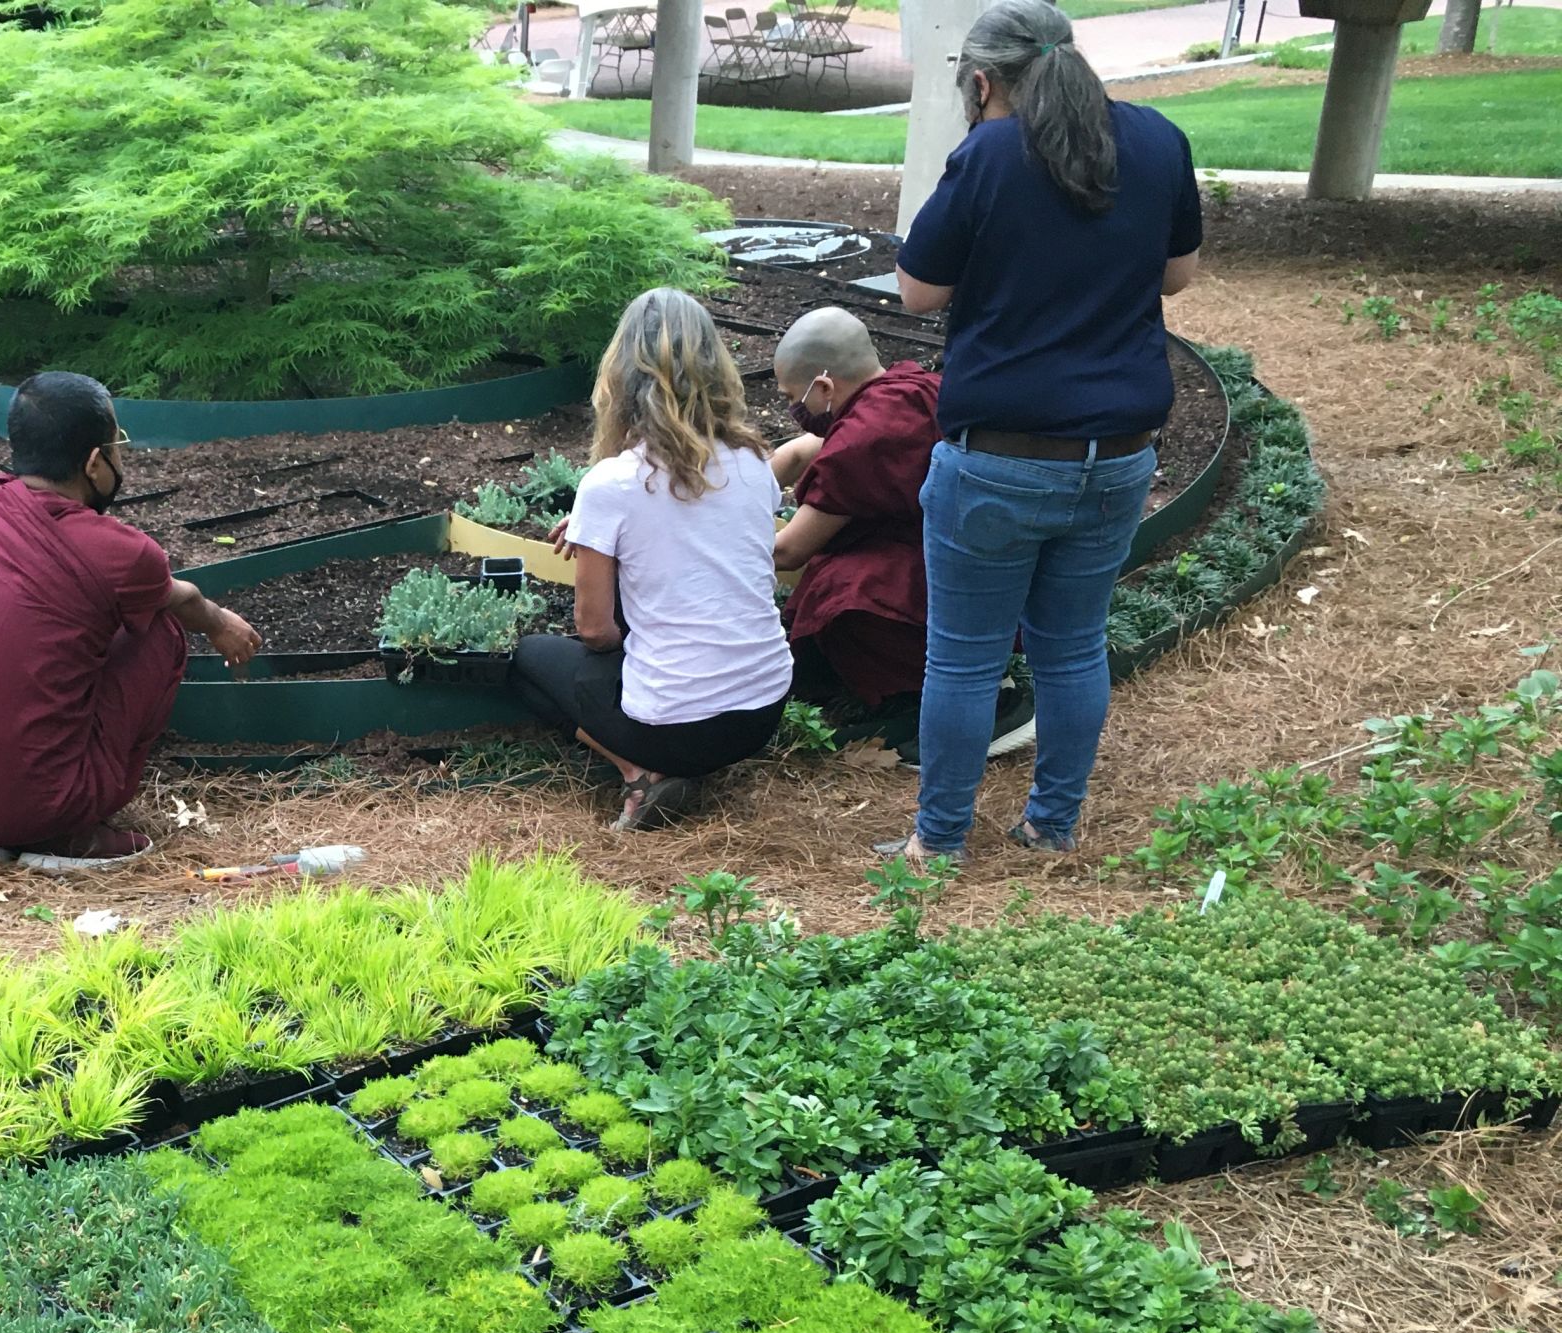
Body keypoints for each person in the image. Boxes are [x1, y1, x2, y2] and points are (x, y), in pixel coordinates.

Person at [889, 0, 1201, 862]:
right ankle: (1051, 826)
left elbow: (918, 291)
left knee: (962, 662)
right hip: (1118, 462)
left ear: (984, 80)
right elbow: (1179, 276)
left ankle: (939, 842)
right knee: (1072, 651)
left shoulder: (988, 151)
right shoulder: (1157, 139)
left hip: (998, 461)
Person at [0, 371, 263, 872]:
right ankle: (64, 834)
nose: (121, 457)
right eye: (118, 446)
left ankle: (1, 826)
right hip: (33, 803)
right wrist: (219, 622)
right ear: (95, 463)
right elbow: (179, 598)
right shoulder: (119, 551)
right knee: (158, 631)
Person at [512, 286, 793, 832]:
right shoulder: (756, 463)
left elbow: (595, 631)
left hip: (676, 728)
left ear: (620, 377)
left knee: (527, 661)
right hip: (763, 712)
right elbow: (707, 535)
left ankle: (639, 773)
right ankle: (665, 764)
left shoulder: (612, 483)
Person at [767, 305, 1031, 763]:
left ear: (825, 387)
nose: (795, 410)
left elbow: (789, 550)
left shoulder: (865, 437)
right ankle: (974, 671)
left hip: (950, 579)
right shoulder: (915, 389)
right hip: (1000, 564)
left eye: (795, 396)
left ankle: (981, 705)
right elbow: (805, 450)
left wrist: (707, 539)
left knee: (840, 588)